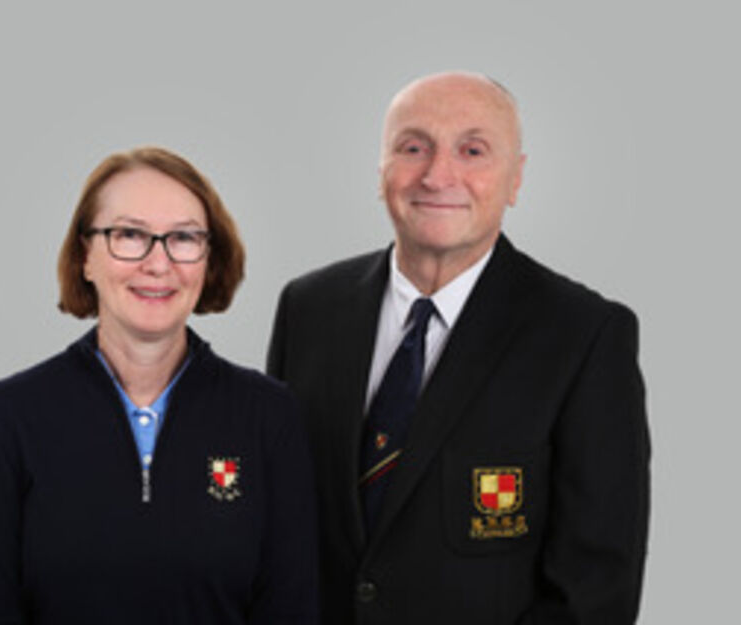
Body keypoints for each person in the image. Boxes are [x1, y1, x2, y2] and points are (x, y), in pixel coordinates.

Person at [267, 72, 650, 624]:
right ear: (381, 170)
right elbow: (278, 523)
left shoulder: (584, 336)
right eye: (413, 148)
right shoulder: (308, 308)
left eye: (472, 150)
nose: (437, 174)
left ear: (515, 179)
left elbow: (595, 592)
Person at [0, 146, 318, 624]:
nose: (158, 263)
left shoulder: (268, 416)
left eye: (183, 237)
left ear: (209, 260)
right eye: (129, 235)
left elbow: (291, 610)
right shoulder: (9, 418)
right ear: (85, 256)